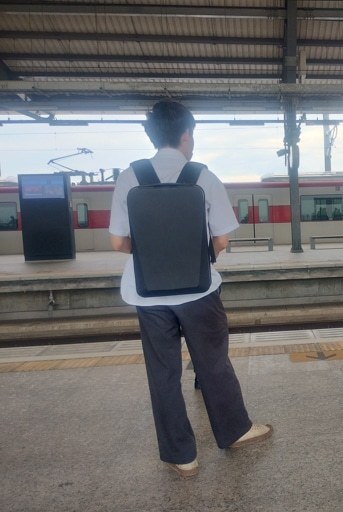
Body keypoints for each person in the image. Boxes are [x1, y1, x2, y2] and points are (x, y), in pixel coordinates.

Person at [109, 100, 272, 477]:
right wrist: (192, 258)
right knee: (213, 364)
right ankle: (236, 431)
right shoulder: (203, 176)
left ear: (153, 136)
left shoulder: (128, 177)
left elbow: (119, 243)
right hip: (200, 292)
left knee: (163, 373)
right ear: (186, 134)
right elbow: (222, 240)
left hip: (147, 294)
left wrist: (153, 254)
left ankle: (181, 456)